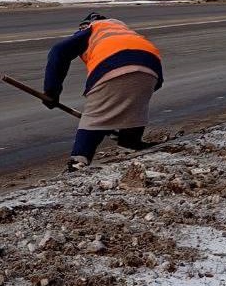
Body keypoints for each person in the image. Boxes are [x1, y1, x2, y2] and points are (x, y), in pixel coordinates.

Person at [43, 12, 164, 171]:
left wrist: (51, 92)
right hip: (152, 67)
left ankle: (79, 160)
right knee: (135, 104)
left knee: (94, 118)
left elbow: (58, 51)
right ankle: (130, 142)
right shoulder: (120, 27)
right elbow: (133, 91)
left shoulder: (91, 29)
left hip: (113, 64)